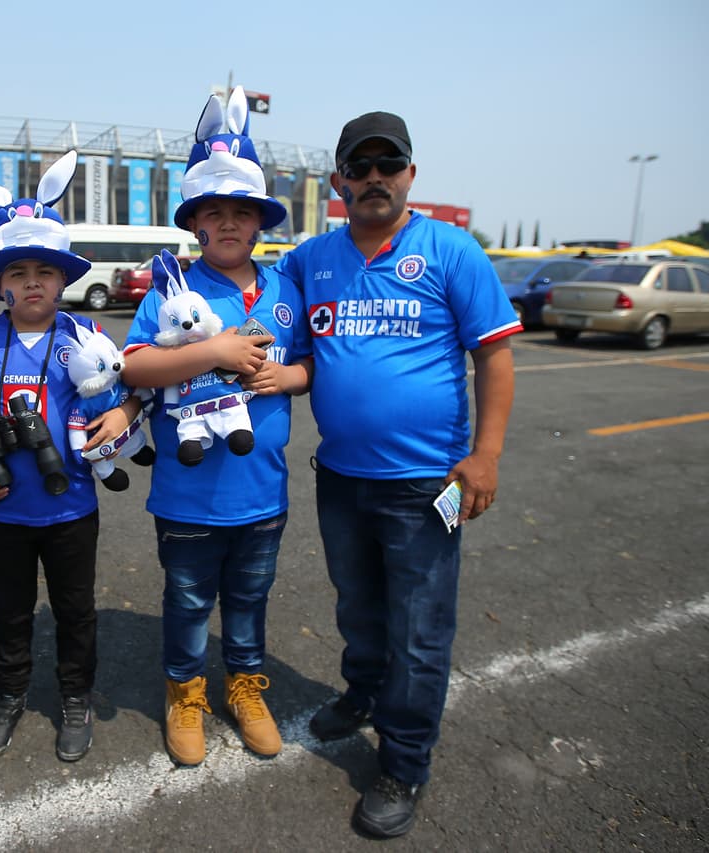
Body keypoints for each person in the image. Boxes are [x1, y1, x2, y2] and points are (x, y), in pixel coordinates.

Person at [277, 111, 520, 838]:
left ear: (411, 173)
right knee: (358, 604)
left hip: (427, 485)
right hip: (341, 478)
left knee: (420, 627)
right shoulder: (311, 260)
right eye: (361, 166)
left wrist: (486, 454)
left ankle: (405, 761)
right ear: (340, 181)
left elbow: (494, 355)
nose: (376, 177)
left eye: (390, 165)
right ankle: (362, 693)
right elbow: (276, 333)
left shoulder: (451, 250)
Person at [121, 87, 313, 766]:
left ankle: (246, 689)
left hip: (262, 491)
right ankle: (185, 692)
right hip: (188, 493)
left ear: (260, 222)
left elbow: (311, 364)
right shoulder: (172, 291)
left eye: (242, 211)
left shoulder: (286, 289)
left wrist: (289, 378)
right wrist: (215, 352)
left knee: (250, 599)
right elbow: (134, 366)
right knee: (188, 600)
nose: (228, 223)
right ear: (195, 223)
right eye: (214, 212)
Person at [0, 150, 140, 764]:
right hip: (3, 509)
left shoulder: (87, 335)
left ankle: (75, 696)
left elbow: (125, 394)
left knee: (75, 610)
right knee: (9, 611)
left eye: (45, 271)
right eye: (18, 270)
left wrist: (122, 418)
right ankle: (8, 693)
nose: (33, 281)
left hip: (71, 509)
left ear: (63, 281)